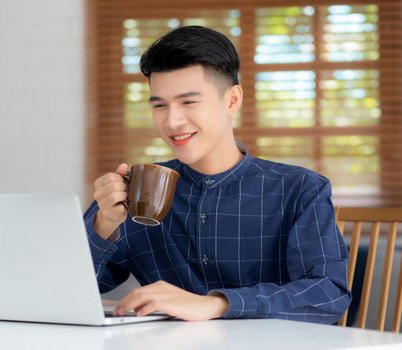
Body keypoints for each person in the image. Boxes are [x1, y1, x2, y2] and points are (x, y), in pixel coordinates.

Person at [83, 25, 351, 323]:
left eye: (188, 102)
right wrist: (103, 224)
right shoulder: (137, 190)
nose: (172, 121)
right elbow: (73, 290)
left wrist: (217, 305)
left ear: (232, 100)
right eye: (159, 105)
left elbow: (327, 294)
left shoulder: (300, 189)